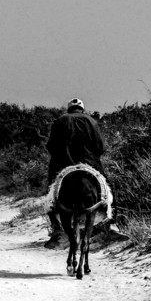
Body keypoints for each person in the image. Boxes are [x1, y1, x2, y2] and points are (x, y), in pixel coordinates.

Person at [44, 97, 123, 249]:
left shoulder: (60, 120)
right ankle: (111, 224)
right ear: (82, 109)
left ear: (69, 110)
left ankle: (56, 228)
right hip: (89, 163)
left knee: (51, 192)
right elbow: (100, 146)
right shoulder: (91, 121)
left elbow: (51, 146)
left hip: (62, 165)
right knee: (107, 188)